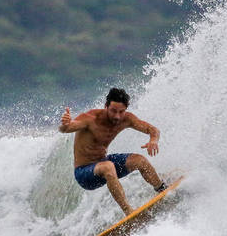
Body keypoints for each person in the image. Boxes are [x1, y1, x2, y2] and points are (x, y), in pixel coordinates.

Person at [59, 87, 166, 215]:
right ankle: (129, 212)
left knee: (140, 160)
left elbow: (153, 130)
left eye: (121, 111)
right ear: (106, 106)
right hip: (84, 173)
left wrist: (153, 140)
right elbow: (67, 128)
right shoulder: (90, 118)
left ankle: (161, 188)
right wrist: (65, 125)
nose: (117, 116)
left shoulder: (127, 119)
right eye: (113, 111)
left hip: (103, 162)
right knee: (108, 167)